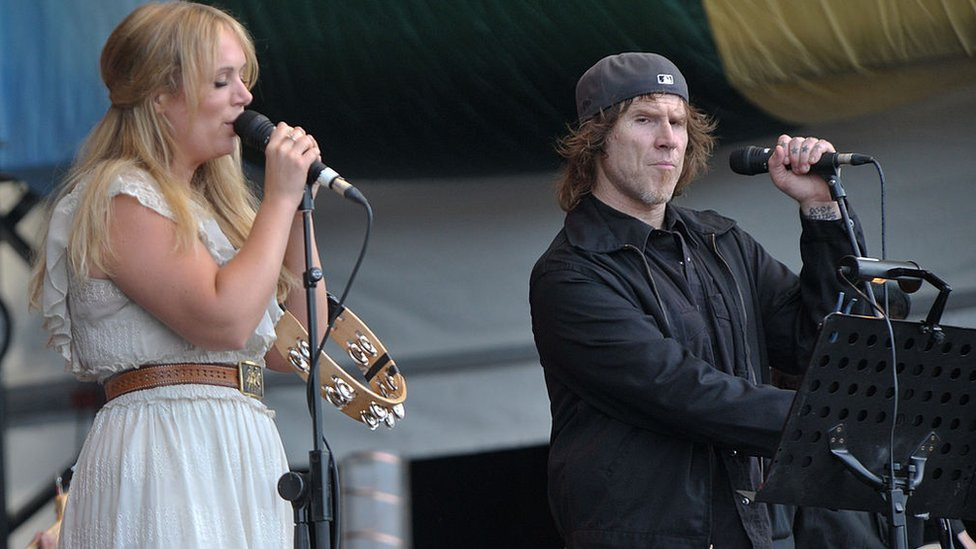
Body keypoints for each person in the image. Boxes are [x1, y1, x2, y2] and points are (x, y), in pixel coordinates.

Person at [529, 52, 895, 548]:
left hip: (755, 531)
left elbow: (819, 347)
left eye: (678, 122)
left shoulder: (722, 242)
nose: (668, 138)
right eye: (645, 120)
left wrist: (823, 212)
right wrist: (835, 420)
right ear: (597, 140)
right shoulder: (571, 273)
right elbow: (683, 392)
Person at [28, 2, 330, 547]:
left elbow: (301, 347)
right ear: (160, 97)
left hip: (239, 449)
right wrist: (280, 200)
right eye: (221, 80)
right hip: (167, 449)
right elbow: (225, 321)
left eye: (244, 78)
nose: (245, 97)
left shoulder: (217, 213)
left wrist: (297, 212)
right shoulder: (121, 198)